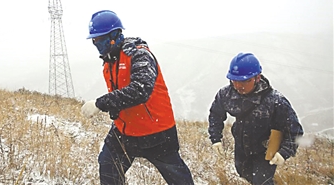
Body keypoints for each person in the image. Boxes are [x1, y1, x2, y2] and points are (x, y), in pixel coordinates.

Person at [81, 10, 194, 185]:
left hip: (157, 133)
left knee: (179, 180)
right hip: (124, 131)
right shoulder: (109, 61)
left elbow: (140, 90)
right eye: (94, 40)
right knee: (108, 166)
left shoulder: (139, 55)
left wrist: (100, 103)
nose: (97, 43)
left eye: (100, 38)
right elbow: (121, 95)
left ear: (114, 35)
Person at [208, 52, 304, 185]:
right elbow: (216, 114)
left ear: (257, 78)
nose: (238, 86)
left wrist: (284, 153)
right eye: (234, 80)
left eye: (243, 81)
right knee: (243, 172)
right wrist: (215, 138)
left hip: (264, 149)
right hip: (242, 147)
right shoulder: (226, 94)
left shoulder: (275, 101)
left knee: (261, 181)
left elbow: (294, 130)